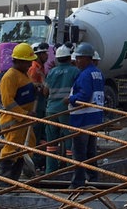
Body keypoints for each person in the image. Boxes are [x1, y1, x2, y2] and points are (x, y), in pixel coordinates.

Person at [0, 42, 38, 187]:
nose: (29, 65)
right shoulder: (10, 76)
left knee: (22, 152)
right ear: (19, 61)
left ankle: (13, 184)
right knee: (10, 151)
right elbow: (8, 102)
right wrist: (24, 114)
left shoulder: (22, 75)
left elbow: (24, 90)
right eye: (27, 62)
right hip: (14, 122)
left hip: (24, 122)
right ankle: (4, 185)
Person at [67, 42, 105, 188]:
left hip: (82, 119)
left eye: (79, 58)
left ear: (87, 58)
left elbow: (83, 96)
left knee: (79, 153)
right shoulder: (98, 73)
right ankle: (93, 178)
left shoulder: (85, 75)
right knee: (91, 151)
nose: (76, 61)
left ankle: (78, 182)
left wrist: (69, 99)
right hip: (94, 117)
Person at [43, 44, 79, 174]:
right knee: (69, 140)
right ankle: (70, 170)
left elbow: (45, 92)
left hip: (51, 109)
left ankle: (50, 171)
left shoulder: (52, 72)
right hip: (66, 110)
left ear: (57, 59)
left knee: (51, 143)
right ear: (70, 58)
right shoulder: (75, 71)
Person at [28, 42, 49, 171]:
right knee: (35, 133)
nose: (47, 55)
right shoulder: (34, 69)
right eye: (44, 53)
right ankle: (33, 161)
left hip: (41, 105)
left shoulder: (40, 68)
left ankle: (39, 160)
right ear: (38, 54)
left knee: (41, 134)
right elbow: (32, 87)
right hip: (36, 105)